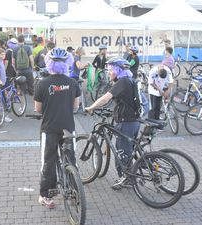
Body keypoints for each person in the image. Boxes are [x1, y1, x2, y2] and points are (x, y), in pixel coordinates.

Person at [34, 48, 81, 208]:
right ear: (67, 63)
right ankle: (75, 193)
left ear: (49, 63)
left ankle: (46, 196)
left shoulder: (42, 83)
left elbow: (38, 109)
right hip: (68, 128)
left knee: (48, 162)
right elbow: (76, 107)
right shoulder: (73, 83)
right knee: (71, 160)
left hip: (50, 129)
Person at [85, 57, 140, 190]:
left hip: (126, 122)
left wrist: (91, 107)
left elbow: (105, 99)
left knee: (122, 151)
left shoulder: (122, 82)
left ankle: (126, 178)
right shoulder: (130, 80)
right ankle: (131, 172)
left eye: (110, 70)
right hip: (134, 121)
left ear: (117, 70)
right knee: (130, 150)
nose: (109, 72)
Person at [0, 48, 13, 123]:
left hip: (2, 83)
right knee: (3, 99)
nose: (4, 56)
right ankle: (4, 116)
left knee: (2, 98)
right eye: (2, 54)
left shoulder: (1, 61)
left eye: (4, 54)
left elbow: (2, 71)